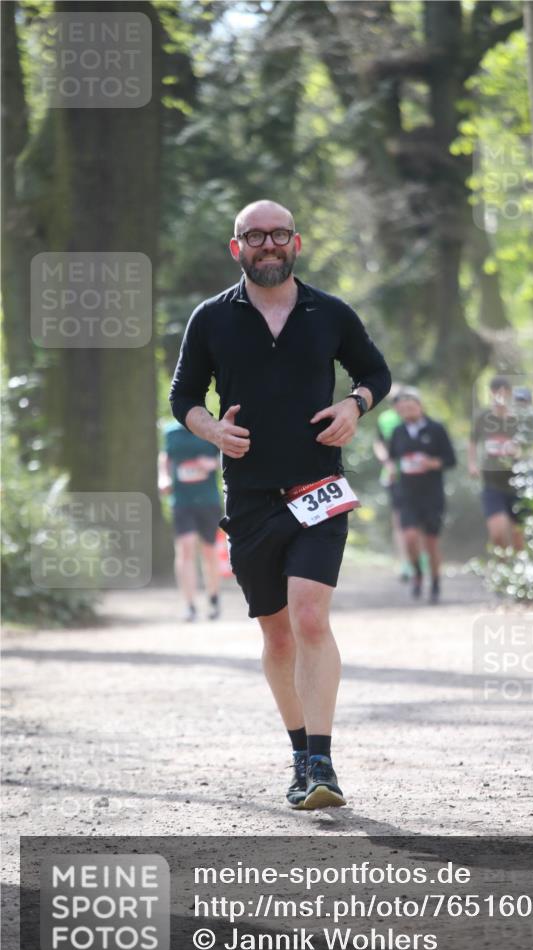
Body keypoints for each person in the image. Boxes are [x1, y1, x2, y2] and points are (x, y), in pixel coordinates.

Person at [169, 199, 391, 809]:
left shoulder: (330, 313)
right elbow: (182, 395)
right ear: (235, 247)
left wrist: (355, 404)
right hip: (249, 499)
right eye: (255, 236)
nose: (269, 245)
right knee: (279, 635)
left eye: (279, 235)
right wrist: (212, 430)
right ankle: (300, 755)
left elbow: (375, 372)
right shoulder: (211, 318)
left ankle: (322, 761)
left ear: (297, 242)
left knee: (310, 617)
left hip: (318, 489)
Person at [388, 389, 457, 604]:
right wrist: (391, 468)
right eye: (403, 408)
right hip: (407, 494)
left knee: (431, 542)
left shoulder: (436, 429)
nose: (407, 411)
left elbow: (451, 460)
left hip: (432, 495)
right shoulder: (398, 431)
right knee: (409, 538)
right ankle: (418, 573)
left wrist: (431, 463)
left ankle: (435, 582)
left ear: (420, 406)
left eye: (411, 406)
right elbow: (392, 457)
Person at [159, 420, 222, 622]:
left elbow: (227, 456)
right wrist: (163, 478)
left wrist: (213, 463)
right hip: (182, 500)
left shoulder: (211, 427)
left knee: (208, 551)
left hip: (208, 500)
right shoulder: (171, 432)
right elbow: (165, 458)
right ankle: (189, 605)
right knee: (185, 548)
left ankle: (213, 598)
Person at [468, 374, 524, 551]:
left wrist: (520, 452)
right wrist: (472, 463)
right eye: (496, 392)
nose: (500, 396)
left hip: (518, 482)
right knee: (498, 534)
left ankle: (518, 574)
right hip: (492, 482)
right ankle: (502, 566)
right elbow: (472, 441)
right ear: (491, 394)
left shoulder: (520, 417)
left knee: (518, 537)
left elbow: (532, 446)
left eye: (504, 392)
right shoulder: (482, 417)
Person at [372, 385, 411, 580]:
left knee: (417, 520)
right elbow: (378, 442)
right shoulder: (385, 419)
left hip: (418, 478)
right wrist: (387, 462)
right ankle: (405, 562)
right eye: (395, 400)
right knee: (399, 519)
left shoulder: (414, 416)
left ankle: (420, 560)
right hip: (393, 476)